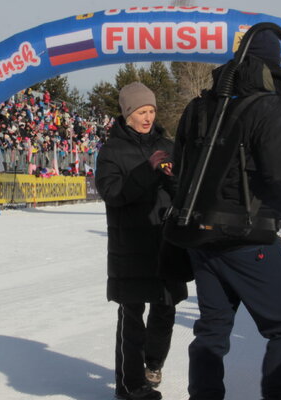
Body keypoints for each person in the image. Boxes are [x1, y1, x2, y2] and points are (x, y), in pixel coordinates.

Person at [166, 30, 281, 400]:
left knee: (213, 328)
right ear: (272, 67)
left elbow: (182, 169)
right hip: (246, 236)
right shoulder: (267, 107)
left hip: (199, 235)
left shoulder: (199, 106)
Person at [95, 82, 188, 400]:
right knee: (132, 315)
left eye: (151, 110)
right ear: (127, 114)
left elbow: (182, 192)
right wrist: (149, 171)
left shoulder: (168, 145)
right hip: (131, 244)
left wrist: (175, 180)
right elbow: (113, 194)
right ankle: (131, 386)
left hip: (165, 240)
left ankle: (154, 361)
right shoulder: (111, 151)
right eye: (141, 111)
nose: (147, 117)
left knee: (166, 307)